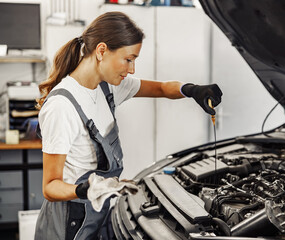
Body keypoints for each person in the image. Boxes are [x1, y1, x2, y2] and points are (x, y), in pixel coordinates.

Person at [34, 11, 222, 239]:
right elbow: (50, 187)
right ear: (101, 51)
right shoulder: (62, 106)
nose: (131, 69)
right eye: (128, 59)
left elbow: (162, 88)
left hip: (98, 209)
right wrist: (87, 189)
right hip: (69, 219)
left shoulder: (108, 87)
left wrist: (192, 90)